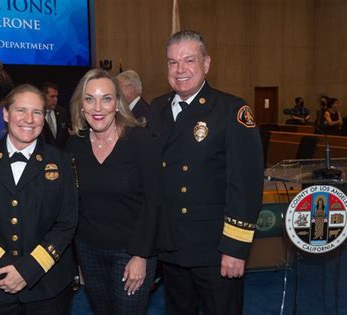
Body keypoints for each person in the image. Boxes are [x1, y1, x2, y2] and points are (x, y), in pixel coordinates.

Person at [147, 30, 264, 314]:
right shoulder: (157, 108)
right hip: (171, 246)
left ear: (206, 63)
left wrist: (235, 248)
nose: (180, 70)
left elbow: (245, 185)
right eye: (172, 62)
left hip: (214, 249)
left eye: (189, 60)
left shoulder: (231, 110)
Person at [0, 84, 78, 315]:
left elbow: (66, 222)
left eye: (37, 112)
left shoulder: (60, 161)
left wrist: (29, 270)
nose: (29, 119)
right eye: (21, 110)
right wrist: (2, 266)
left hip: (47, 284)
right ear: (6, 114)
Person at [65, 69, 163, 315]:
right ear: (81, 105)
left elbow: (155, 203)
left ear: (117, 103)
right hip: (88, 250)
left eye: (106, 98)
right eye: (90, 99)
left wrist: (141, 256)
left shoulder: (140, 139)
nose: (98, 107)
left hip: (131, 252)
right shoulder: (74, 144)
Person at [41, 82, 71, 150]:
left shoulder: (62, 112)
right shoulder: (36, 114)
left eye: (56, 96)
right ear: (43, 96)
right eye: (52, 96)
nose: (55, 100)